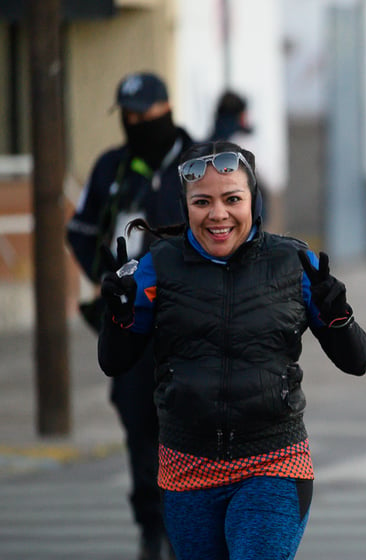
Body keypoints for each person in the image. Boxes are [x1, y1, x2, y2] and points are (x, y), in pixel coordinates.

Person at [97, 141, 366, 560]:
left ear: (254, 200)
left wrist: (338, 315)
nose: (218, 214)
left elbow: (357, 361)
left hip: (273, 463)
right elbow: (114, 361)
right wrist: (116, 317)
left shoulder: (294, 263)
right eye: (202, 201)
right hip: (186, 466)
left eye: (232, 199)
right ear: (186, 205)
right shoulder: (159, 265)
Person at [66, 71, 193, 560]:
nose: (136, 123)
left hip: (190, 326)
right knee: (142, 430)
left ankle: (191, 527)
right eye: (128, 115)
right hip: (132, 327)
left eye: (145, 114)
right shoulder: (112, 168)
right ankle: (150, 530)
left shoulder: (202, 161)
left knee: (192, 428)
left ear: (167, 108)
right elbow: (79, 231)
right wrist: (110, 283)